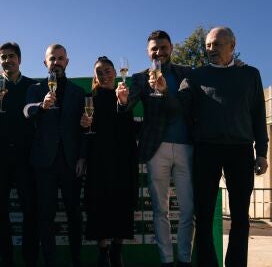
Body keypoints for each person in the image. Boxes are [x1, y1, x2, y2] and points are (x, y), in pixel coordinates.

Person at [178, 26, 268, 267]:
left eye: (216, 44)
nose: (210, 49)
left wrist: (261, 153)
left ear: (232, 45)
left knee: (241, 218)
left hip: (240, 151)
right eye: (207, 45)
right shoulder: (195, 76)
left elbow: (259, 115)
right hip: (206, 150)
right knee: (204, 216)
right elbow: (181, 109)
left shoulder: (250, 74)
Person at [116, 30, 194, 267]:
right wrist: (121, 100)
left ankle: (184, 259)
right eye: (154, 49)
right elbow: (128, 105)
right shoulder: (140, 78)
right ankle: (167, 261)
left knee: (188, 211)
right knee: (160, 210)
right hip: (155, 150)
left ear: (171, 47)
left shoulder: (186, 73)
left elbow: (182, 109)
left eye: (162, 47)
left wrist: (163, 90)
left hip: (186, 148)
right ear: (148, 52)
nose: (158, 52)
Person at [23, 44, 86, 267]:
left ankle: (76, 259)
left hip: (71, 162)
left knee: (74, 215)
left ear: (67, 62)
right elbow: (26, 111)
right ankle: (50, 261)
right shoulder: (35, 89)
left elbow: (83, 129)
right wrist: (41, 105)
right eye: (52, 58)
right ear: (45, 62)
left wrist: (81, 157)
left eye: (60, 58)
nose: (56, 62)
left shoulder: (78, 92)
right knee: (45, 216)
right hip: (44, 163)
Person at [0, 42, 39, 267]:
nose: (8, 60)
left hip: (26, 158)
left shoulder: (32, 86)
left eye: (11, 56)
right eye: (3, 57)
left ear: (20, 59)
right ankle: (6, 259)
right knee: (0, 212)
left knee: (30, 211)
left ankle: (30, 259)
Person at [80, 56, 138, 267]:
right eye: (99, 72)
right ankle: (103, 252)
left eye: (107, 70)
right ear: (95, 77)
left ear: (115, 72)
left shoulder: (127, 96)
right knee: (100, 205)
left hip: (124, 159)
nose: (104, 75)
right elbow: (85, 132)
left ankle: (117, 252)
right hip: (99, 160)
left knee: (122, 204)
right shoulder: (90, 98)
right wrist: (84, 125)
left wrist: (123, 101)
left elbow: (130, 128)